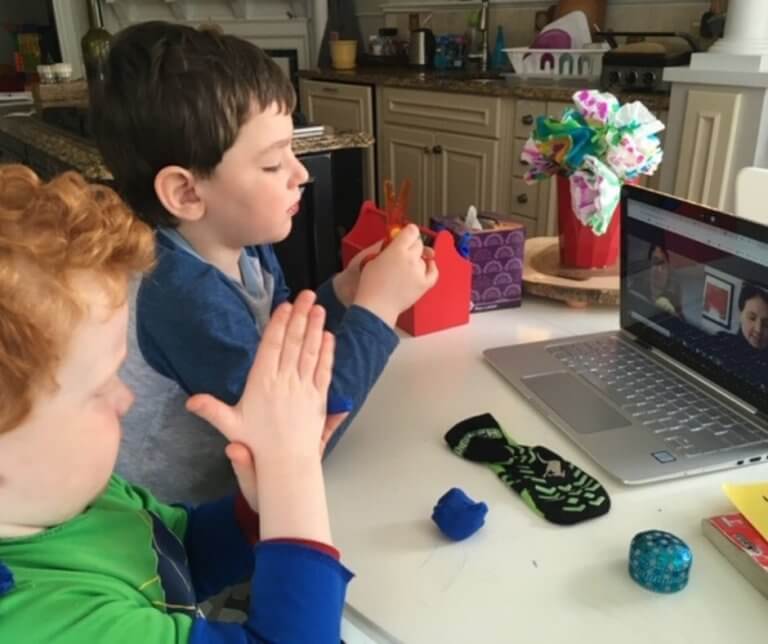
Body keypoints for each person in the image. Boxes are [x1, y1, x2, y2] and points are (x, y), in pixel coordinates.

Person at [0, 165, 352, 643]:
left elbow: (177, 550)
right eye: (101, 388)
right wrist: (294, 475)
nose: (128, 398)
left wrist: (259, 502)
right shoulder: (40, 621)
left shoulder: (76, 498)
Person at [91, 21, 438, 503]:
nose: (299, 174)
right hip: (183, 528)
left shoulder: (238, 242)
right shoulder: (183, 297)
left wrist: (343, 293)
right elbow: (297, 440)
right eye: (273, 163)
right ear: (187, 192)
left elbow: (284, 351)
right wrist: (379, 312)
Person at [647, 243, 681, 316]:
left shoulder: (671, 307)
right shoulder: (633, 292)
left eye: (663, 265)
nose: (658, 270)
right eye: (655, 262)